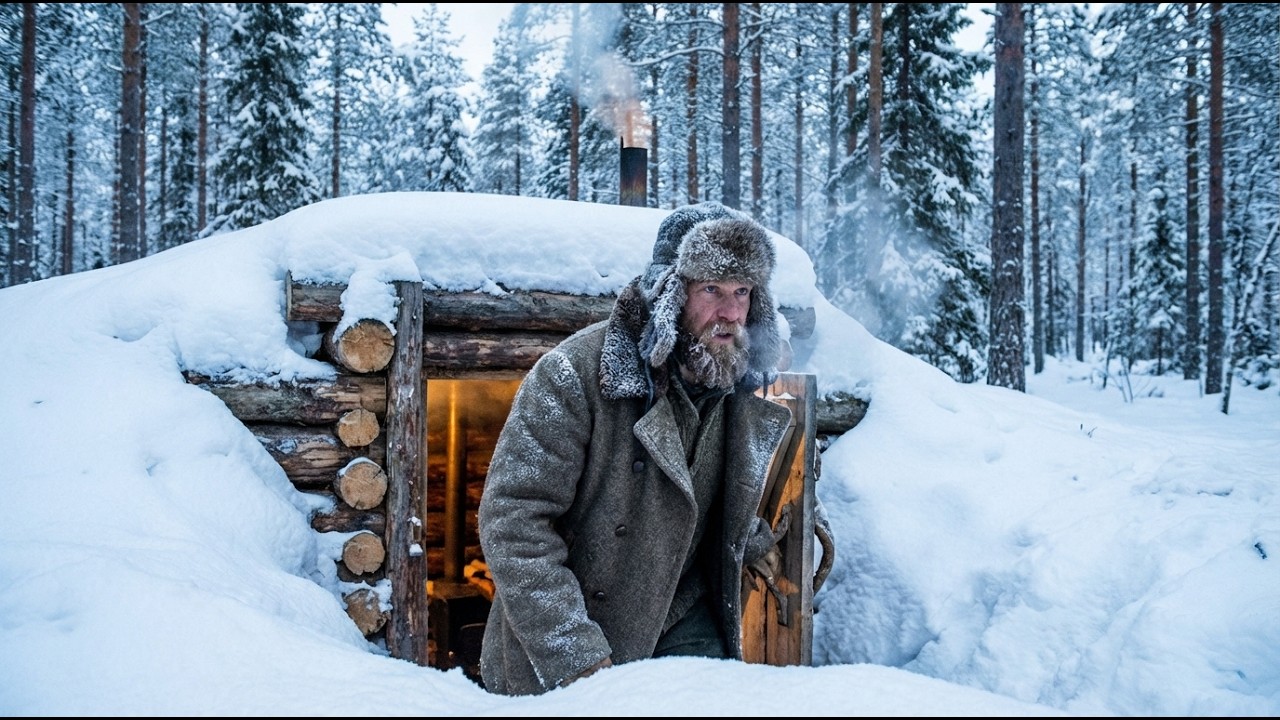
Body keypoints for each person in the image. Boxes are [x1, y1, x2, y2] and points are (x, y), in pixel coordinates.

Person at [477, 201, 798, 696]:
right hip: (578, 639)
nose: (731, 313)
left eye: (742, 292)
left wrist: (752, 538)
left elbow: (704, 497)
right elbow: (513, 520)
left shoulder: (737, 383)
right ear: (669, 292)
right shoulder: (573, 374)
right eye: (711, 289)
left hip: (686, 620)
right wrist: (575, 653)